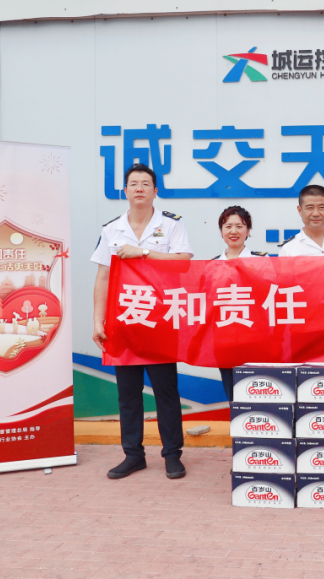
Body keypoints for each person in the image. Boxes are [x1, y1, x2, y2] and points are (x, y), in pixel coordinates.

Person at [91, 163, 193, 480]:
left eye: (145, 183)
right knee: (128, 395)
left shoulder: (171, 225)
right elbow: (103, 278)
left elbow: (183, 263)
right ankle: (133, 455)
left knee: (166, 392)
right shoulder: (112, 229)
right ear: (125, 191)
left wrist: (143, 253)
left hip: (160, 320)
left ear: (155, 191)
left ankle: (172, 455)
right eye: (133, 183)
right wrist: (98, 321)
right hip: (124, 321)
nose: (139, 188)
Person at [210, 205, 267, 402]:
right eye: (228, 226)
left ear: (248, 231)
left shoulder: (262, 261)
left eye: (240, 226)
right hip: (225, 339)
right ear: (221, 231)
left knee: (258, 389)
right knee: (232, 392)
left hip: (256, 338)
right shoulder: (211, 266)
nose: (233, 231)